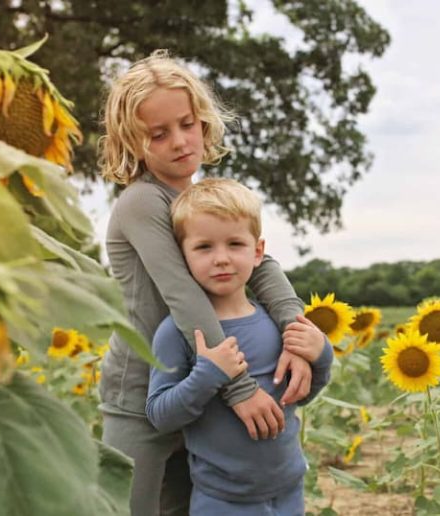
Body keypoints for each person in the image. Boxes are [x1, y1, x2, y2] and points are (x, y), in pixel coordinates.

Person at [98, 49, 313, 516]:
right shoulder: (141, 203)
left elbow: (262, 262)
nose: (180, 141)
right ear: (133, 142)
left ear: (204, 121)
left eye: (187, 124)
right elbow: (183, 297)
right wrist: (239, 388)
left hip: (203, 391)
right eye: (159, 133)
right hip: (142, 395)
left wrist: (296, 330)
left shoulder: (199, 199)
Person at [146, 178, 333, 515]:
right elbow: (161, 415)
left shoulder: (274, 325)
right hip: (222, 500)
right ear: (182, 256)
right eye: (204, 247)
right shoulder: (178, 332)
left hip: (289, 488)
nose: (221, 259)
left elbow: (299, 395)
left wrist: (320, 355)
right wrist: (207, 375)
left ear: (257, 251)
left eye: (235, 244)